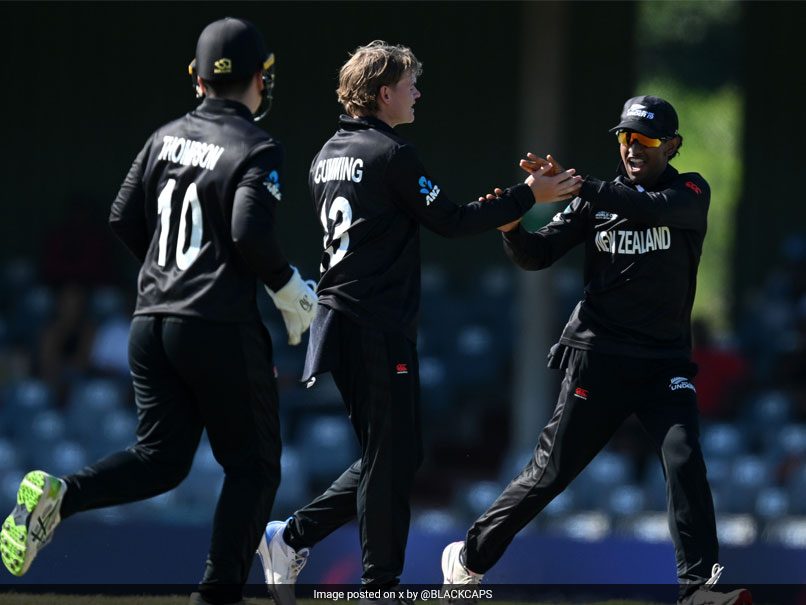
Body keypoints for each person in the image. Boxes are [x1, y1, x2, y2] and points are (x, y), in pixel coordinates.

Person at [0, 17, 318, 605]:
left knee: (161, 459)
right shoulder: (257, 145)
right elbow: (250, 230)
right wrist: (285, 285)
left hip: (150, 324)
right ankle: (215, 596)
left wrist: (173, 272)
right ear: (259, 78)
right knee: (253, 468)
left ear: (197, 79)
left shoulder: (163, 136)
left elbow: (122, 217)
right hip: (217, 325)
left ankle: (62, 495)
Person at [256, 40, 581, 604]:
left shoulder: (326, 153)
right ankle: (377, 584)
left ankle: (291, 537)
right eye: (410, 85)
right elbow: (451, 221)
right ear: (384, 93)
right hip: (373, 319)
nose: (417, 93)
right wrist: (526, 196)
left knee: (395, 456)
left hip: (342, 319)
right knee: (391, 457)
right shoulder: (392, 153)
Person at [439, 96, 752, 605]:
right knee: (551, 472)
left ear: (672, 146)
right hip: (599, 357)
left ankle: (697, 588)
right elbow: (537, 256)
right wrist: (513, 227)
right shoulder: (594, 201)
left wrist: (584, 185)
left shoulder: (690, 189)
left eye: (646, 140)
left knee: (685, 458)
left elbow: (650, 208)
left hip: (663, 365)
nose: (632, 148)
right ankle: (469, 558)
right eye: (625, 137)